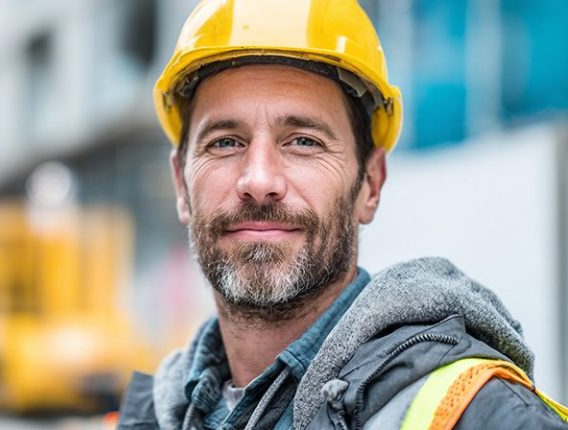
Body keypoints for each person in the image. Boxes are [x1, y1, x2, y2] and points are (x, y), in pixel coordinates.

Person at [118, 0, 568, 428]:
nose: (258, 180)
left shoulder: (479, 413)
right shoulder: (148, 416)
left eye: (303, 141)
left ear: (370, 184)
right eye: (225, 142)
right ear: (181, 184)